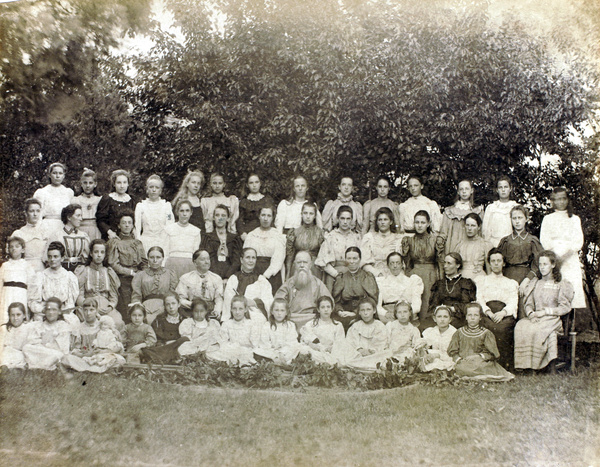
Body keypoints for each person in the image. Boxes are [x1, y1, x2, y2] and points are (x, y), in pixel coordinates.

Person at [540, 187, 592, 334]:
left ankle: (569, 336)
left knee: (570, 296)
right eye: (556, 199)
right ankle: (554, 334)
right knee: (554, 295)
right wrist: (555, 259)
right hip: (553, 261)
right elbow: (545, 240)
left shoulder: (574, 219)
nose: (560, 202)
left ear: (567, 200)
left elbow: (577, 242)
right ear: (552, 201)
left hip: (570, 262)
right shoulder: (548, 219)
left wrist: (564, 257)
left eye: (563, 198)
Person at [514, 250, 575, 372]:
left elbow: (564, 307)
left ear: (553, 265)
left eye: (545, 264)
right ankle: (526, 365)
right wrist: (531, 314)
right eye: (540, 264)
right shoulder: (535, 283)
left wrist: (545, 312)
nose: (542, 267)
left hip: (552, 319)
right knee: (521, 326)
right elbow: (529, 303)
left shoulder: (561, 284)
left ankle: (537, 365)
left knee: (537, 329)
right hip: (536, 317)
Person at [447, 302, 514, 381]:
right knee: (461, 368)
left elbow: (492, 354)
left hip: (480, 362)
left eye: (476, 315)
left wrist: (479, 357)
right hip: (464, 361)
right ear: (466, 317)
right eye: (470, 315)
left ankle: (471, 376)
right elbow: (453, 351)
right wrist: (459, 359)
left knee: (480, 367)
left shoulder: (486, 333)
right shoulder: (459, 332)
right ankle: (473, 376)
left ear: (480, 317)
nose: (472, 318)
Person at [475, 248, 519, 369]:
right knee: (488, 327)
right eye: (493, 261)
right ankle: (486, 364)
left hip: (504, 314)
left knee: (502, 328)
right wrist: (488, 312)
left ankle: (503, 365)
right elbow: (480, 299)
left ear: (503, 263)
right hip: (487, 313)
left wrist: (503, 313)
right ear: (489, 263)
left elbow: (513, 302)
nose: (496, 263)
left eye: (498, 260)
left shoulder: (511, 283)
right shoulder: (482, 281)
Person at [400, 210, 444, 321]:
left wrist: (440, 279)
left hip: (430, 275)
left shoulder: (435, 240)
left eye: (422, 222)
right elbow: (407, 263)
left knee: (427, 304)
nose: (419, 225)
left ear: (428, 224)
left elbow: (440, 261)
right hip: (414, 275)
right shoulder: (409, 240)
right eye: (417, 222)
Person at [497, 205, 543, 308]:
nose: (517, 221)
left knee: (523, 307)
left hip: (526, 277)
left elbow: (538, 264)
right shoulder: (505, 241)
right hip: (507, 277)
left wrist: (527, 280)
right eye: (514, 218)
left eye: (520, 218)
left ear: (526, 219)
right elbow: (497, 262)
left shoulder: (532, 240)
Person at [62, 298, 125, 373]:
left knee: (113, 359)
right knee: (67, 358)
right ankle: (91, 369)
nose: (88, 313)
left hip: (101, 357)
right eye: (85, 310)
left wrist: (103, 351)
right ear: (82, 311)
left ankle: (90, 369)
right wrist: (84, 354)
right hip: (85, 358)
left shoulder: (104, 326)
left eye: (91, 310)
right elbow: (75, 349)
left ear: (97, 310)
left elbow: (117, 345)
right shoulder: (79, 328)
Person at [274, 251, 332, 330]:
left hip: (312, 319)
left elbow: (329, 302)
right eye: (299, 262)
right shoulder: (289, 283)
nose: (302, 265)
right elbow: (278, 301)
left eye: (305, 262)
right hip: (292, 319)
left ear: (310, 265)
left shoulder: (318, 283)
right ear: (294, 264)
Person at [76, 239, 124, 330]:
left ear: (105, 255)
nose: (99, 255)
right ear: (91, 253)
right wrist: (90, 307)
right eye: (96, 252)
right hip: (87, 307)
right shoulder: (84, 271)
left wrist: (110, 307)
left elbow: (113, 296)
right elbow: (79, 295)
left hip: (105, 307)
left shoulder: (108, 272)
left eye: (102, 252)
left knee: (117, 322)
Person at [107, 212, 147, 321]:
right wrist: (130, 273)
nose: (127, 225)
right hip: (123, 279)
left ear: (133, 225)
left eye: (129, 223)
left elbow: (144, 262)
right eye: (124, 223)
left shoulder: (137, 243)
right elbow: (113, 264)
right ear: (119, 225)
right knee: (126, 306)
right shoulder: (114, 242)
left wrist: (142, 274)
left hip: (138, 278)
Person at [28, 242, 79, 323]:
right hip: (44, 313)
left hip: (63, 314)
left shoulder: (69, 277)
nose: (52, 259)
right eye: (50, 256)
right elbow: (33, 303)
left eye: (55, 256)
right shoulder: (41, 276)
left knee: (72, 322)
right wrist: (45, 311)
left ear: (62, 258)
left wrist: (60, 314)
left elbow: (70, 304)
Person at [424, 252, 476, 330]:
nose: (445, 266)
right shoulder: (439, 283)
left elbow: (467, 305)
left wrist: (451, 309)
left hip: (457, 316)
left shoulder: (465, 283)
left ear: (457, 265)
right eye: (444, 263)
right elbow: (433, 305)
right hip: (441, 316)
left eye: (449, 263)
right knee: (424, 327)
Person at [315, 206, 362, 290]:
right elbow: (322, 262)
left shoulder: (356, 238)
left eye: (348, 219)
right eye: (342, 218)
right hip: (334, 275)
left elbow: (361, 260)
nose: (345, 222)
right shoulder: (330, 237)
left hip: (353, 273)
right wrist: (336, 274)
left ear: (351, 220)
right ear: (337, 219)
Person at [332, 247, 379, 331]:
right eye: (349, 258)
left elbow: (373, 300)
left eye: (355, 258)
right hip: (344, 313)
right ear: (345, 260)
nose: (352, 261)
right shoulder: (341, 277)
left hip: (364, 312)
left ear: (360, 259)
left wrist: (355, 312)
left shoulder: (367, 276)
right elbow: (336, 301)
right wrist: (340, 311)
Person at [222, 248, 273, 322]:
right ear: (241, 260)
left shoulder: (262, 280)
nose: (251, 261)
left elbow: (269, 300)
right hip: (237, 316)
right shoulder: (233, 279)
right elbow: (228, 302)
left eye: (253, 258)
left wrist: (255, 303)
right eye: (248, 257)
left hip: (257, 318)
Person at [243, 205, 286, 292]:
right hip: (253, 271)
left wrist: (266, 275)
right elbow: (246, 255)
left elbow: (278, 259)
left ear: (273, 217)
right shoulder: (251, 235)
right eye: (263, 215)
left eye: (269, 216)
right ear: (259, 216)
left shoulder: (277, 235)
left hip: (272, 274)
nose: (265, 219)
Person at [22, 297, 72, 370]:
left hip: (54, 354)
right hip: (43, 353)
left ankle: (36, 366)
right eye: (48, 309)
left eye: (54, 309)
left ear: (59, 312)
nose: (51, 312)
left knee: (58, 355)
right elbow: (32, 342)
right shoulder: (38, 326)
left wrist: (44, 344)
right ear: (45, 311)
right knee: (26, 348)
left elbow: (63, 349)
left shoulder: (63, 326)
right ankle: (45, 366)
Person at [139, 293, 190, 364]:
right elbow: (157, 338)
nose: (171, 307)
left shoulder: (185, 319)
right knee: (146, 350)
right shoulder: (159, 320)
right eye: (167, 304)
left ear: (178, 304)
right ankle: (171, 359)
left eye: (173, 303)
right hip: (165, 347)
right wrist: (165, 343)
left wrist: (175, 342)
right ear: (164, 306)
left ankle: (171, 359)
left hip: (180, 347)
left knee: (184, 340)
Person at [209, 295, 260, 366]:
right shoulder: (227, 324)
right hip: (230, 351)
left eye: (240, 309)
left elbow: (254, 344)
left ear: (245, 309)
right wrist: (233, 348)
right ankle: (234, 363)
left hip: (245, 352)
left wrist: (241, 349)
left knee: (245, 355)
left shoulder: (251, 324)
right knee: (213, 352)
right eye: (234, 309)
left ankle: (241, 364)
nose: (237, 312)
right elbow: (223, 342)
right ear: (231, 309)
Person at [131, 246, 178, 320]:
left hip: (166, 306)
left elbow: (173, 294)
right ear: (148, 258)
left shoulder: (170, 274)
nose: (155, 260)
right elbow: (136, 297)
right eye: (152, 257)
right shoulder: (140, 275)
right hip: (146, 306)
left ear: (163, 258)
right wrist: (139, 308)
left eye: (158, 257)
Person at [375, 252, 423, 324]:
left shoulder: (412, 281)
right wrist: (385, 313)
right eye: (392, 263)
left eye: (397, 263)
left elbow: (417, 305)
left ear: (402, 264)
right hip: (389, 314)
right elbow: (377, 306)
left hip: (407, 314)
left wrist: (405, 313)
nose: (395, 266)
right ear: (388, 265)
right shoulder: (381, 282)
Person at [439, 179, 484, 255]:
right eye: (461, 189)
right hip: (452, 246)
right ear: (458, 192)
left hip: (471, 248)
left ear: (472, 190)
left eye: (467, 189)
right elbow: (443, 232)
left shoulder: (478, 211)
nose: (464, 191)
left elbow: (480, 233)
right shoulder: (449, 211)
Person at [176, 249, 224, 319]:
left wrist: (217, 311)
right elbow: (180, 299)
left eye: (208, 259)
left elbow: (219, 299)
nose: (206, 262)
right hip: (191, 311)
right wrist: (193, 305)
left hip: (210, 312)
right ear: (195, 263)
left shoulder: (216, 278)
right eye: (203, 259)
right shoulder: (186, 278)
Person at [343, 298, 388, 371]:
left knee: (384, 358)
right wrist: (360, 350)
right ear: (359, 312)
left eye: (368, 309)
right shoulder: (355, 326)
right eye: (362, 310)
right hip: (358, 355)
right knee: (347, 357)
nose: (365, 313)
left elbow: (381, 343)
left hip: (373, 355)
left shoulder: (379, 326)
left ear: (374, 310)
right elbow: (350, 342)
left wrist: (371, 351)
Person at [135, 175, 175, 255]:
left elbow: (170, 225)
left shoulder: (166, 206)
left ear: (160, 190)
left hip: (163, 242)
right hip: (145, 242)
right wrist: (139, 244)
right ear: (147, 189)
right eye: (151, 187)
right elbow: (137, 227)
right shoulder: (141, 206)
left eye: (157, 187)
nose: (154, 190)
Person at [199, 204, 242, 279]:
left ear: (228, 219)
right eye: (217, 215)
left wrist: (227, 277)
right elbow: (205, 259)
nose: (220, 218)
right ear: (213, 218)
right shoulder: (207, 238)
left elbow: (237, 262)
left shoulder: (234, 239)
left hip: (230, 278)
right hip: (211, 277)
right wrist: (216, 278)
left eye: (223, 216)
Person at [299, 296, 345, 365]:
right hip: (315, 352)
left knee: (340, 356)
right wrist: (312, 345)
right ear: (318, 309)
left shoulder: (338, 325)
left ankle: (325, 363)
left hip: (331, 353)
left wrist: (331, 348)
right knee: (304, 350)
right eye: (323, 307)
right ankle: (323, 363)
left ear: (332, 309)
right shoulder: (311, 324)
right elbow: (305, 340)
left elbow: (340, 343)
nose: (326, 310)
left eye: (328, 307)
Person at [254, 298, 302, 365]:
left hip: (285, 352)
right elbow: (265, 344)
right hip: (271, 352)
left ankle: (283, 362)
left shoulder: (290, 325)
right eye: (276, 310)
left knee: (297, 347)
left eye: (282, 310)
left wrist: (281, 353)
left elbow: (291, 342)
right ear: (272, 311)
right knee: (257, 350)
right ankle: (277, 362)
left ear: (286, 312)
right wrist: (274, 355)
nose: (279, 313)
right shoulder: (267, 325)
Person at [285, 201, 325, 279]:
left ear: (315, 216)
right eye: (305, 213)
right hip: (298, 266)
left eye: (311, 214)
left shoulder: (320, 233)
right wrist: (288, 274)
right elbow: (290, 255)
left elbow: (323, 256)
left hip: (314, 268)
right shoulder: (294, 232)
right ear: (301, 214)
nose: (308, 216)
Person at [46, 203, 90, 272]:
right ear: (69, 217)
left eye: (81, 216)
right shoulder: (57, 235)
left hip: (80, 270)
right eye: (78, 215)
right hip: (62, 270)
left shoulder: (83, 235)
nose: (81, 219)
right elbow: (48, 258)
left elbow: (88, 257)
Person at [360, 207, 403, 278]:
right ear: (377, 222)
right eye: (380, 220)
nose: (382, 222)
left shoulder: (398, 239)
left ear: (391, 222)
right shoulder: (369, 238)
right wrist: (377, 274)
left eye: (385, 220)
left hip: (394, 275)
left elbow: (401, 264)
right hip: (373, 276)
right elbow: (364, 263)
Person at [164, 200, 202, 279]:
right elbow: (165, 251)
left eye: (187, 211)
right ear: (177, 212)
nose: (184, 214)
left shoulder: (196, 231)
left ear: (191, 212)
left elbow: (196, 253)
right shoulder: (169, 229)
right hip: (172, 265)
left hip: (189, 266)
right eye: (181, 211)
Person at [32, 162, 74, 234]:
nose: (57, 176)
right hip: (47, 226)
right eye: (54, 173)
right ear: (49, 175)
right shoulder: (42, 192)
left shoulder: (68, 192)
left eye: (60, 173)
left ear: (64, 176)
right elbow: (37, 214)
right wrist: (36, 230)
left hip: (64, 226)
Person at [1, 237, 34, 323]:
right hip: (6, 295)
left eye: (17, 246)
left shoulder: (27, 266)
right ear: (8, 249)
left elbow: (31, 286)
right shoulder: (5, 265)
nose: (14, 248)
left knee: (18, 317)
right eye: (11, 247)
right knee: (5, 317)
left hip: (21, 295)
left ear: (22, 250)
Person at [96, 169, 136, 240]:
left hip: (128, 237)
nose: (122, 186)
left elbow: (135, 220)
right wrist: (110, 232)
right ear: (114, 184)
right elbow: (100, 220)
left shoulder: (132, 200)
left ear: (128, 184)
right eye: (119, 182)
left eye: (124, 182)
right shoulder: (107, 199)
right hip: (111, 237)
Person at [12, 198, 49, 273]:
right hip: (25, 269)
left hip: (43, 269)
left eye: (38, 211)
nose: (35, 214)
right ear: (25, 213)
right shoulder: (19, 233)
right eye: (32, 211)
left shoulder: (45, 232)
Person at [481, 176, 518, 247]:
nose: (503, 190)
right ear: (497, 190)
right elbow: (485, 230)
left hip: (511, 244)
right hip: (494, 244)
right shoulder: (491, 208)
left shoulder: (515, 207)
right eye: (500, 187)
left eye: (506, 187)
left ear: (510, 188)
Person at [453, 213, 492, 280]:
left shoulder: (485, 244)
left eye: (473, 225)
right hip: (462, 279)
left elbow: (489, 269)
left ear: (479, 227)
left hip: (479, 277)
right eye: (467, 225)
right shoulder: (460, 245)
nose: (469, 228)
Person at [236, 173, 275, 241]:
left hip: (265, 233)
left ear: (260, 183)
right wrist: (242, 233)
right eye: (251, 183)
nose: (254, 185)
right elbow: (239, 220)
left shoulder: (267, 200)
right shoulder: (244, 202)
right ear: (247, 185)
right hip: (248, 234)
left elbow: (272, 218)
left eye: (256, 182)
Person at [421, 305, 457, 372]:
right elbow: (424, 347)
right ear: (434, 318)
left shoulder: (454, 333)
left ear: (450, 319)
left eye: (445, 317)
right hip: (433, 359)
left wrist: (438, 355)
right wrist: (425, 354)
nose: (442, 319)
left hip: (448, 359)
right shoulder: (430, 331)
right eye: (439, 316)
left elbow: (453, 354)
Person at [72, 168, 102, 241]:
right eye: (85, 183)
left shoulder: (99, 200)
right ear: (81, 184)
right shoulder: (76, 200)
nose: (88, 186)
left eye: (90, 183)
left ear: (95, 184)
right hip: (80, 229)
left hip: (95, 230)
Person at [1, 302, 31, 368]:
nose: (15, 318)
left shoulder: (28, 328)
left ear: (24, 315)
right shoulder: (4, 328)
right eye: (12, 315)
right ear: (9, 316)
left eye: (18, 315)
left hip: (20, 358)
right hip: (5, 356)